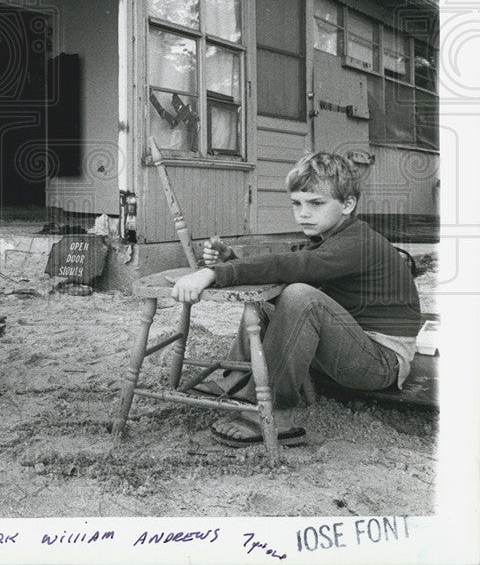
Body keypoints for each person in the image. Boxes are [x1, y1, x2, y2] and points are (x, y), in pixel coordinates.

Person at [170, 152, 422, 447]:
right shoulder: (330, 237)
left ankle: (277, 414)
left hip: (381, 362)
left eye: (316, 203)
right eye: (297, 203)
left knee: (302, 297)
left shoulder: (357, 243)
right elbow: (290, 263)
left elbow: (291, 266)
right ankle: (237, 378)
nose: (303, 213)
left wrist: (214, 273)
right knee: (268, 303)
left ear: (348, 205)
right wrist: (233, 259)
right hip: (352, 342)